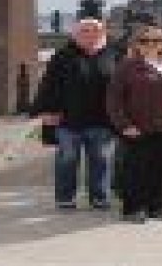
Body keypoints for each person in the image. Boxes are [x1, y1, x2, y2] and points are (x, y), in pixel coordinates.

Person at [106, 24, 162, 223]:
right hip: (138, 127)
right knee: (136, 170)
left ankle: (157, 207)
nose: (151, 45)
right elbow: (114, 99)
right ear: (137, 44)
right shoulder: (127, 67)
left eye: (157, 40)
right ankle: (132, 209)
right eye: (145, 41)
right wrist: (124, 124)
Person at [33, 17, 119, 210]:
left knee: (101, 161)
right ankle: (65, 198)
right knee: (67, 161)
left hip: (102, 120)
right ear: (75, 35)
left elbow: (122, 86)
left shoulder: (113, 55)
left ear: (103, 33)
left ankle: (100, 198)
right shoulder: (62, 56)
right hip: (68, 120)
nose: (90, 34)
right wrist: (47, 111)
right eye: (84, 31)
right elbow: (48, 85)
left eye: (95, 30)